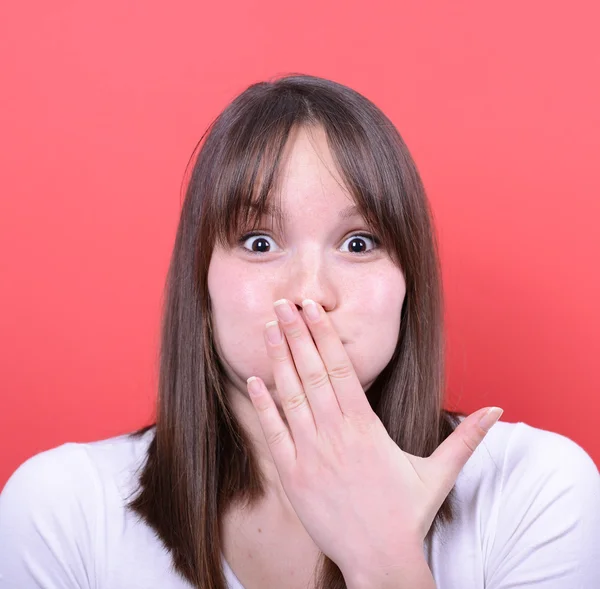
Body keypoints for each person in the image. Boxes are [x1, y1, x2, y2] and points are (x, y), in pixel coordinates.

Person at [0, 74, 598, 589]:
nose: (309, 293)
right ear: (201, 283)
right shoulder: (62, 508)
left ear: (409, 283)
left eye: (358, 243)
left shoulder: (535, 489)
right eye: (259, 243)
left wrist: (384, 564)